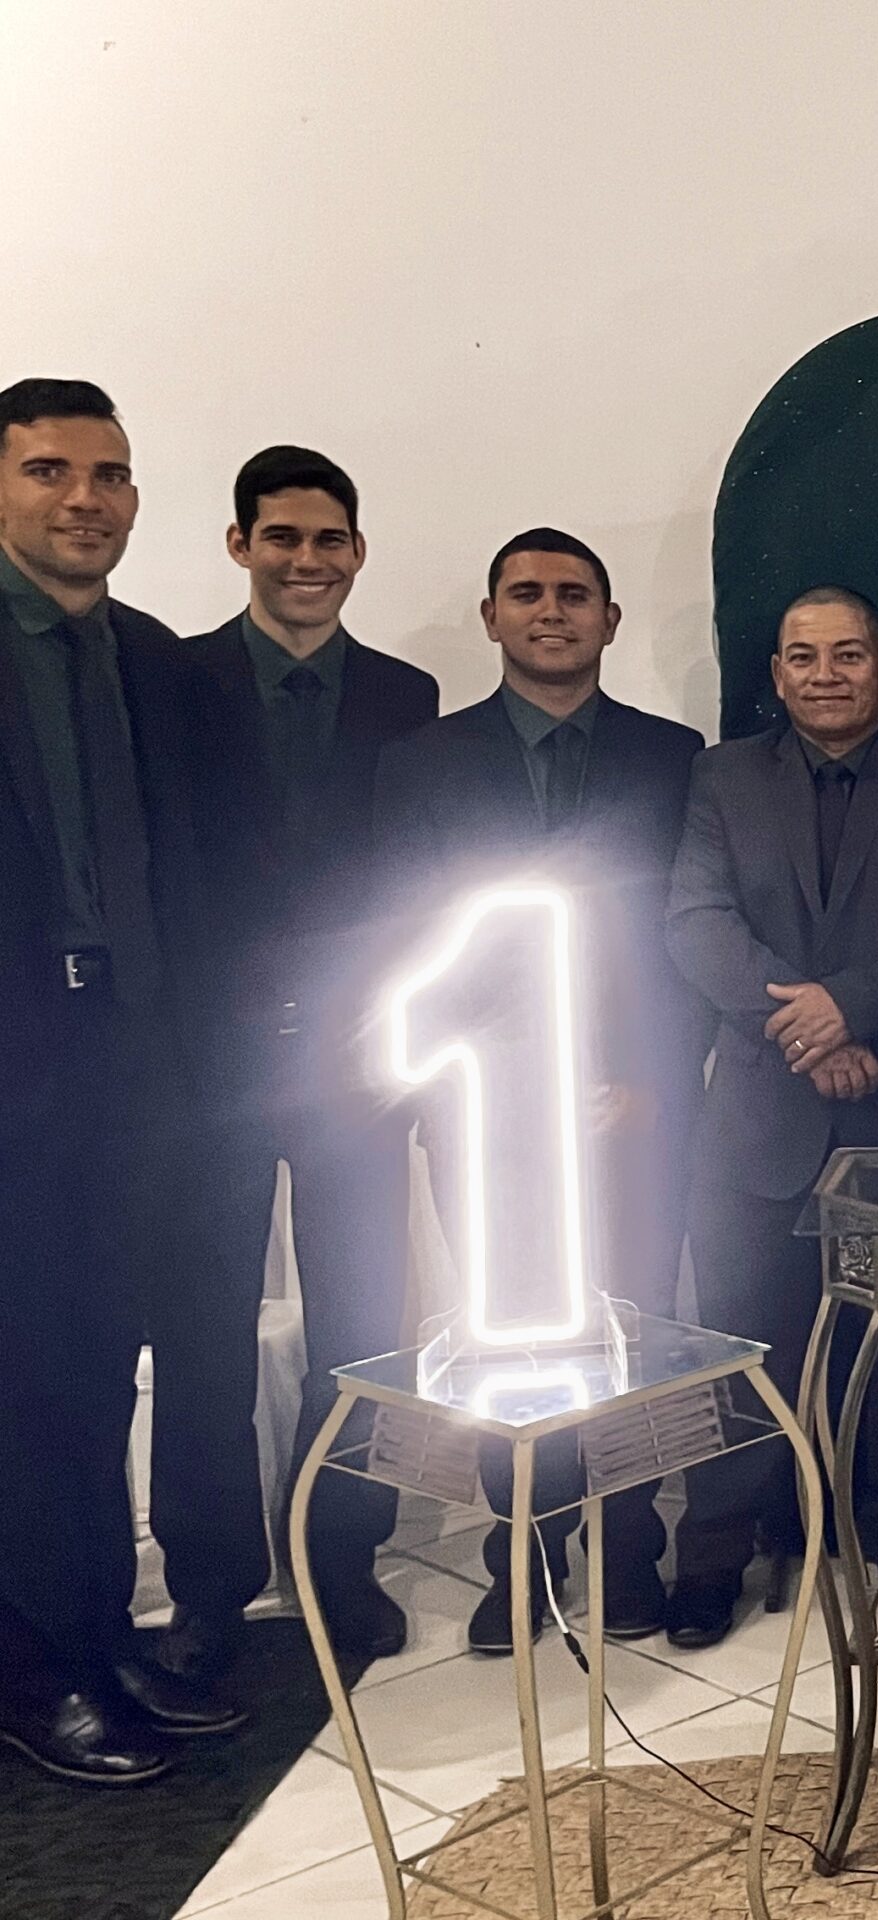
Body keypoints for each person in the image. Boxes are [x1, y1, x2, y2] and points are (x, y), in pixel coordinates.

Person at [372, 528, 706, 1656]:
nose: (550, 611)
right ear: (491, 617)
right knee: (508, 1343)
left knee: (630, 1327)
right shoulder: (420, 763)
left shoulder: (675, 758)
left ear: (610, 620)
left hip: (632, 1101)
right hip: (488, 1115)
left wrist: (654, 1077)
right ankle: (520, 1557)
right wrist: (453, 1090)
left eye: (573, 594)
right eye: (526, 593)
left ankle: (629, 1551)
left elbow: (688, 938)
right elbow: (400, 935)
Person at [665, 586, 878, 1644]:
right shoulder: (721, 778)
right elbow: (696, 922)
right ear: (775, 674)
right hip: (757, 1114)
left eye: (848, 655)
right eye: (803, 657)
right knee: (736, 1342)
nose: (826, 675)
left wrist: (848, 1008)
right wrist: (810, 1032)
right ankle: (717, 1549)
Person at [150, 447, 436, 1682]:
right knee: (201, 1330)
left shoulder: (408, 695)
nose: (306, 561)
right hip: (205, 1065)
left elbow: (412, 878)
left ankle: (341, 1565)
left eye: (328, 540)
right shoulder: (172, 681)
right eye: (282, 537)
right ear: (239, 546)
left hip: (356, 1059)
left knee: (360, 1327)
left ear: (358, 552)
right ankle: (211, 1589)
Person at [0, 377, 242, 1783]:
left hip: (138, 1061)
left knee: (101, 1371)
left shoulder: (152, 657)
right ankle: (32, 1671)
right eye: (49, 470)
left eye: (109, 474)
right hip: (16, 1067)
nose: (84, 499)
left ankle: (96, 1641)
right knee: (23, 1379)